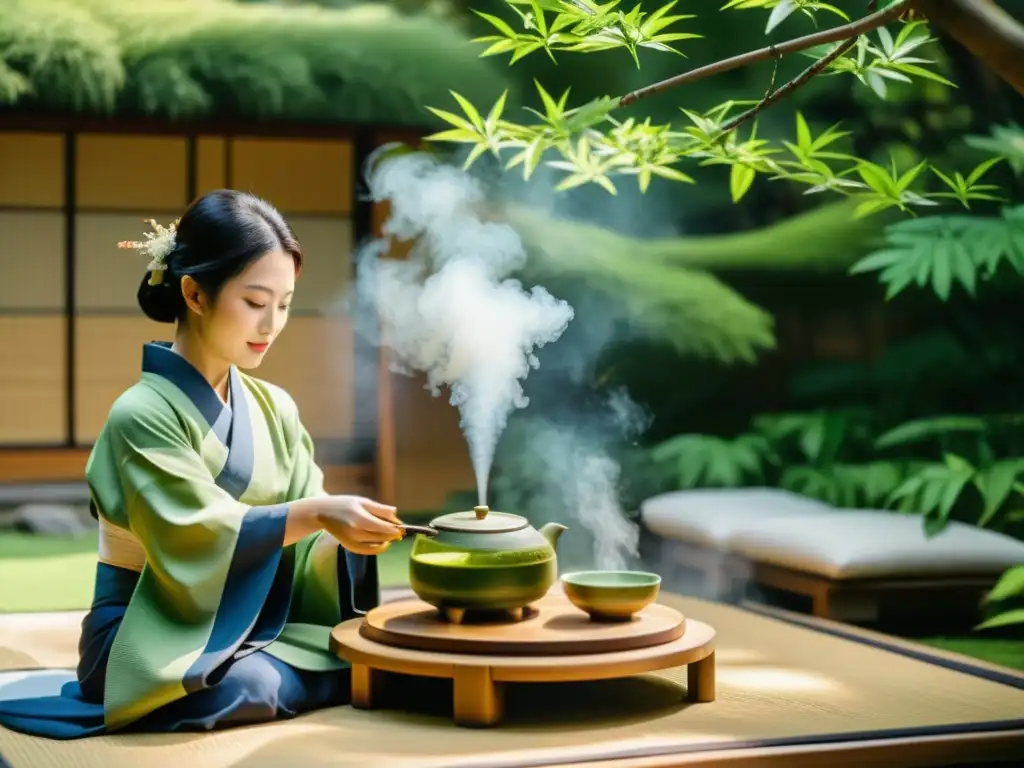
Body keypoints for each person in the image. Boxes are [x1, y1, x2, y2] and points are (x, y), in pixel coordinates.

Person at [0, 190, 404, 739]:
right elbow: (195, 533)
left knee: (364, 656)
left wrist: (346, 536)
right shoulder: (139, 414)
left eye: (285, 304)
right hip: (148, 629)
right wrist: (320, 512)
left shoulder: (276, 407)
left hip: (254, 625)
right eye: (256, 302)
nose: (272, 324)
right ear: (194, 293)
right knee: (255, 686)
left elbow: (310, 544)